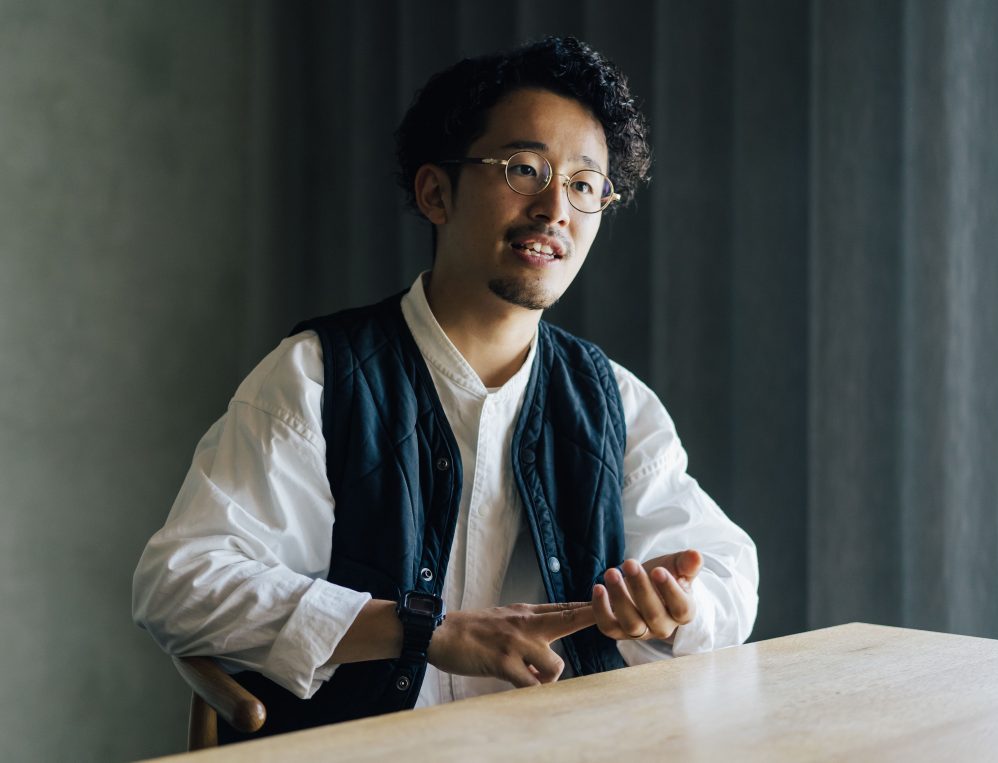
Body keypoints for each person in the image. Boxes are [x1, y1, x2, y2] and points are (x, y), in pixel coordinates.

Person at [132, 36, 757, 742]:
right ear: (435, 192)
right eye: (524, 169)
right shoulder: (318, 375)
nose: (556, 207)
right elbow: (182, 581)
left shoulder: (614, 400)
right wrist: (422, 631)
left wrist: (674, 608)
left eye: (585, 185)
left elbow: (726, 577)